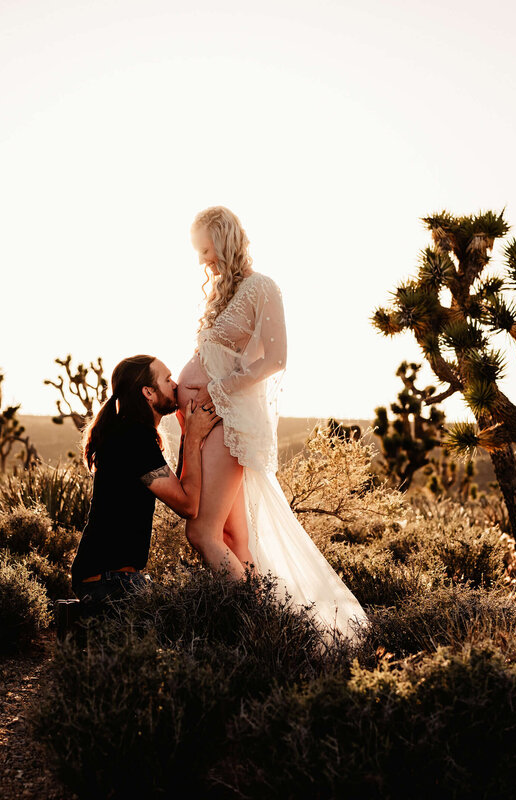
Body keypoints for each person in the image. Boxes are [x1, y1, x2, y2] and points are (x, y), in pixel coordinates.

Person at [168, 206, 369, 640]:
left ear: (224, 240)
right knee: (233, 540)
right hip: (205, 424)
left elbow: (275, 360)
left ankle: (262, 625)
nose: (203, 260)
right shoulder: (221, 294)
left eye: (206, 249)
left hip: (227, 422)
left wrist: (213, 393)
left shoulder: (263, 287)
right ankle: (256, 635)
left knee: (202, 532)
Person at [70, 354, 219, 606]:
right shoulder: (134, 439)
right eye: (167, 379)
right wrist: (193, 438)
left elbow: (180, 488)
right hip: (106, 580)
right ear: (148, 392)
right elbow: (188, 505)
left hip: (105, 576)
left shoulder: (130, 432)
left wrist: (187, 436)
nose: (175, 385)